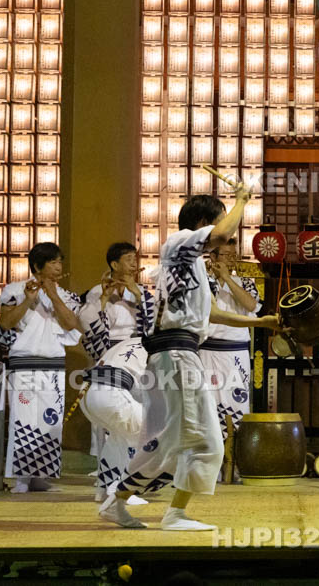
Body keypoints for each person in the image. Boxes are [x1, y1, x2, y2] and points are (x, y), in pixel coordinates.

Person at [105, 188, 282, 530]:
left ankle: (155, 508)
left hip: (175, 354)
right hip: (176, 355)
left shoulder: (189, 265)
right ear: (202, 224)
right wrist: (242, 200)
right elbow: (221, 234)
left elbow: (210, 313)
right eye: (216, 224)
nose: (224, 241)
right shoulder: (180, 242)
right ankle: (134, 503)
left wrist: (260, 321)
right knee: (189, 438)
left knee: (189, 439)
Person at [0, 242, 81, 494]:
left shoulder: (65, 295)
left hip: (53, 363)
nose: (58, 266)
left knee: (50, 421)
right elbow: (6, 323)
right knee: (24, 419)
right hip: (24, 361)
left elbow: (71, 326)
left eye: (59, 262)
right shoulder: (15, 290)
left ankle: (40, 476)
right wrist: (29, 301)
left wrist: (53, 296)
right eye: (53, 262)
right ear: (37, 266)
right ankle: (21, 479)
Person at [78, 242, 155, 504]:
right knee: (124, 427)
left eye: (136, 259)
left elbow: (153, 328)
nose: (134, 264)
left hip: (139, 360)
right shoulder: (96, 293)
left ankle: (107, 485)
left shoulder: (141, 293)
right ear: (114, 264)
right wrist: (102, 300)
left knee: (126, 428)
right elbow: (93, 337)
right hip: (111, 360)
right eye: (128, 259)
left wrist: (138, 294)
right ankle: (120, 485)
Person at [202, 238, 260, 447]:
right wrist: (219, 278)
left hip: (236, 352)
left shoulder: (245, 282)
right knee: (207, 406)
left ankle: (234, 460)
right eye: (226, 255)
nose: (232, 260)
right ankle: (211, 463)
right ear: (213, 257)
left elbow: (252, 305)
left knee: (237, 403)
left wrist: (228, 278)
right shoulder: (202, 281)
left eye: (234, 255)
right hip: (207, 350)